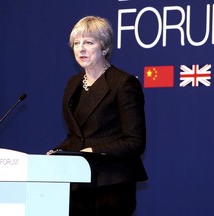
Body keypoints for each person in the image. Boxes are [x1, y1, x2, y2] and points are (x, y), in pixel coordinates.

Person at [47, 16, 148, 216]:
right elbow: (78, 135)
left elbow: (135, 141)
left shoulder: (123, 83)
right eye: (77, 43)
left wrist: (94, 150)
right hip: (78, 183)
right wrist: (59, 151)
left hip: (112, 184)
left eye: (89, 43)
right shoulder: (73, 84)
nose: (81, 49)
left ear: (104, 47)